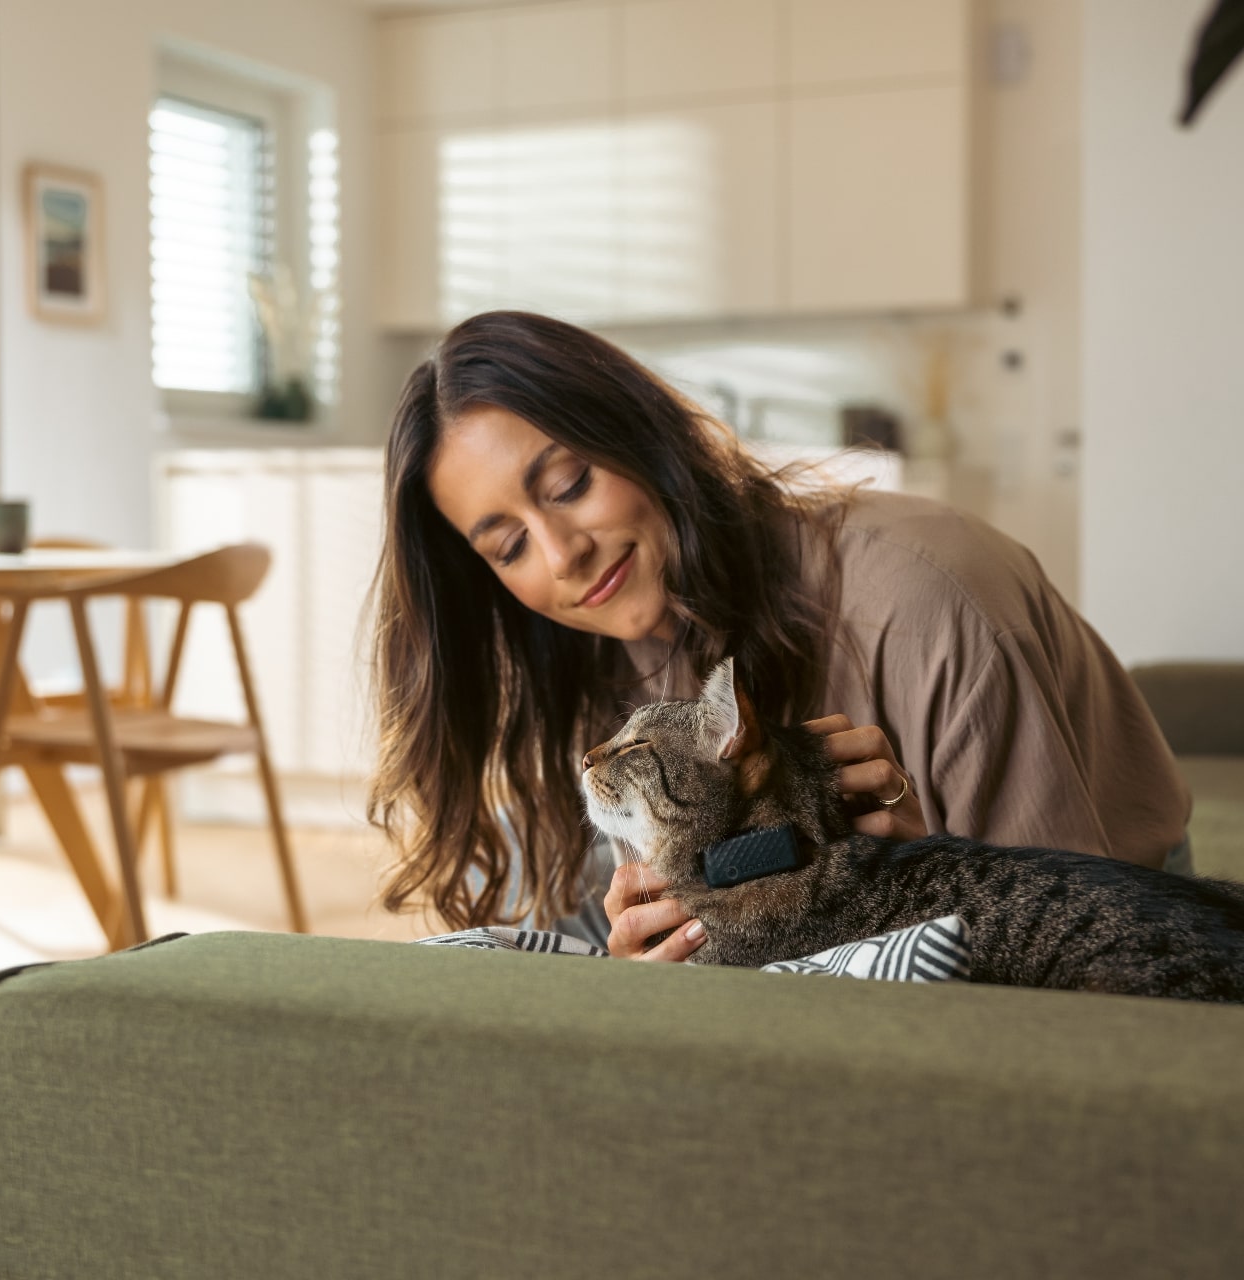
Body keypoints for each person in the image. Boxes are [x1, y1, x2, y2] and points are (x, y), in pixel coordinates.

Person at [368, 311, 1191, 962]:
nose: (562, 556)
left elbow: (1075, 956)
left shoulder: (925, 600)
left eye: (571, 484)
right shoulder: (597, 646)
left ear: (641, 435)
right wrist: (643, 961)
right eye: (507, 547)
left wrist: (906, 875)